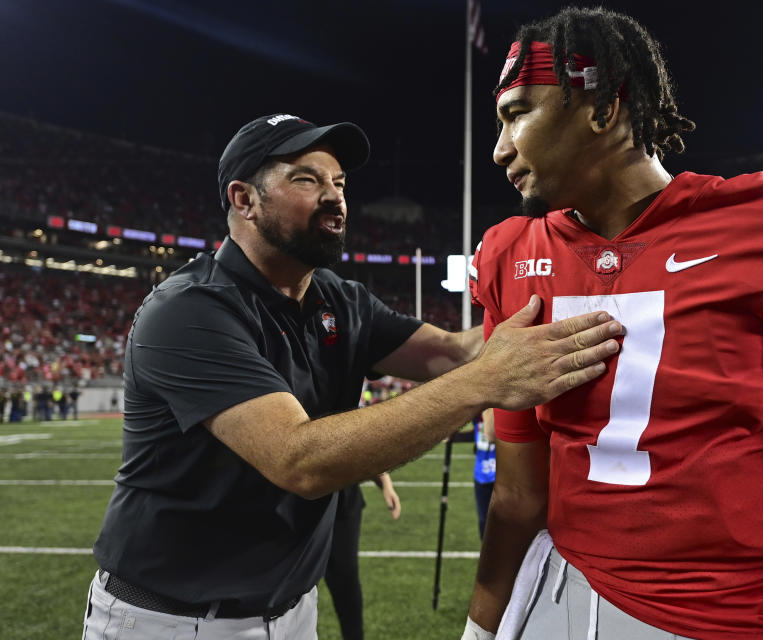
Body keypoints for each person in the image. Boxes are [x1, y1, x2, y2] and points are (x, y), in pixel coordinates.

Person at [463, 7, 763, 640]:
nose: (500, 148)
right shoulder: (511, 255)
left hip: (720, 619)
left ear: (603, 109)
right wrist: (481, 631)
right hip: (556, 598)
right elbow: (520, 497)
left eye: (518, 113)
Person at [82, 112, 623, 640]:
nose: (334, 195)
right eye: (306, 179)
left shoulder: (336, 298)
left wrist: (572, 296)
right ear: (243, 199)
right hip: (172, 620)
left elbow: (452, 353)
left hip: (291, 609)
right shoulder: (189, 311)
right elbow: (299, 461)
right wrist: (486, 382)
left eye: (338, 182)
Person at [324, 474, 400, 640]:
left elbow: (353, 449)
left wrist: (384, 481)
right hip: (294, 503)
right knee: (294, 592)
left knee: (345, 582)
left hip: (342, 500)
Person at [474, 408, 496, 538]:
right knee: (484, 524)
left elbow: (490, 434)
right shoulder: (474, 408)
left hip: (503, 473)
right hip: (481, 473)